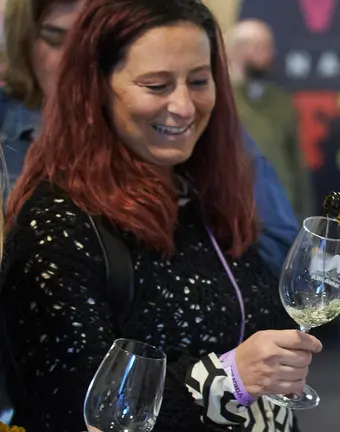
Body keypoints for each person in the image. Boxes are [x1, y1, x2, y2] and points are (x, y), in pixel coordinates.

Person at [0, 0, 322, 430]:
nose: (184, 106)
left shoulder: (208, 194)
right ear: (95, 88)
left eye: (199, 81)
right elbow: (77, 407)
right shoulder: (58, 225)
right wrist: (227, 380)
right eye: (156, 85)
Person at [0, 0, 297, 279]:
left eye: (198, 81)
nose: (183, 108)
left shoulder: (212, 139)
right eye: (57, 38)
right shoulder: (50, 206)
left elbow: (280, 259)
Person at [226, 19, 315, 221]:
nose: (270, 54)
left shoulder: (281, 102)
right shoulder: (220, 100)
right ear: (238, 50)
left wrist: (305, 216)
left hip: (283, 211)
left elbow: (296, 164)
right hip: (239, 212)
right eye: (262, 47)